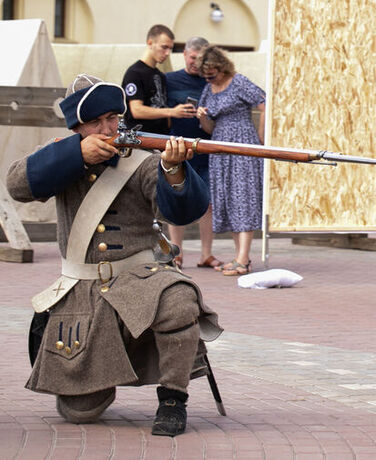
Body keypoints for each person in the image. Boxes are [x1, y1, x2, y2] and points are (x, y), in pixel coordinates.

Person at [6, 75, 222, 436]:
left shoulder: (141, 161)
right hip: (81, 289)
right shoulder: (61, 156)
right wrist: (76, 155)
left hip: (139, 279)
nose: (109, 128)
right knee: (79, 412)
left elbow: (183, 213)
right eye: (97, 122)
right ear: (78, 128)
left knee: (180, 299)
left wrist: (174, 169)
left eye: (113, 118)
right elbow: (17, 184)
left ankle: (173, 399)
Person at [195, 46, 266, 276]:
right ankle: (239, 256)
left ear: (222, 67)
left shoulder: (239, 82)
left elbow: (264, 103)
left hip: (242, 143)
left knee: (243, 196)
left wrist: (262, 139)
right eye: (205, 76)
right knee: (227, 198)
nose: (209, 79)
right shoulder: (208, 89)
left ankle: (243, 259)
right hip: (220, 146)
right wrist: (203, 117)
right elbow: (208, 127)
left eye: (212, 74)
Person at [166, 36, 220, 270]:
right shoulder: (168, 80)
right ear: (184, 55)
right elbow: (158, 110)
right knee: (176, 198)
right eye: (192, 58)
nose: (196, 63)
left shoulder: (212, 83)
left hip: (206, 149)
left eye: (201, 59)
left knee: (207, 204)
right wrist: (174, 112)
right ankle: (176, 254)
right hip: (178, 148)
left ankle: (206, 254)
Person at [122, 24, 196, 135]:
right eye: (164, 47)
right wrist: (172, 112)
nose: (167, 53)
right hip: (141, 140)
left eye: (170, 48)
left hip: (161, 139)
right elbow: (136, 110)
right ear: (150, 43)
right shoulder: (135, 73)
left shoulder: (160, 75)